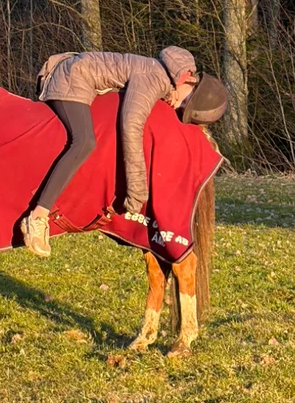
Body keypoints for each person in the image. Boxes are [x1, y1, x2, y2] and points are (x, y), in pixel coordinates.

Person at [19, 47, 200, 257]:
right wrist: (137, 193)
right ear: (186, 79)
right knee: (84, 142)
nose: (178, 106)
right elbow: (131, 125)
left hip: (81, 78)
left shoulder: (157, 73)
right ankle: (38, 217)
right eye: (185, 101)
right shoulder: (154, 78)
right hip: (73, 78)